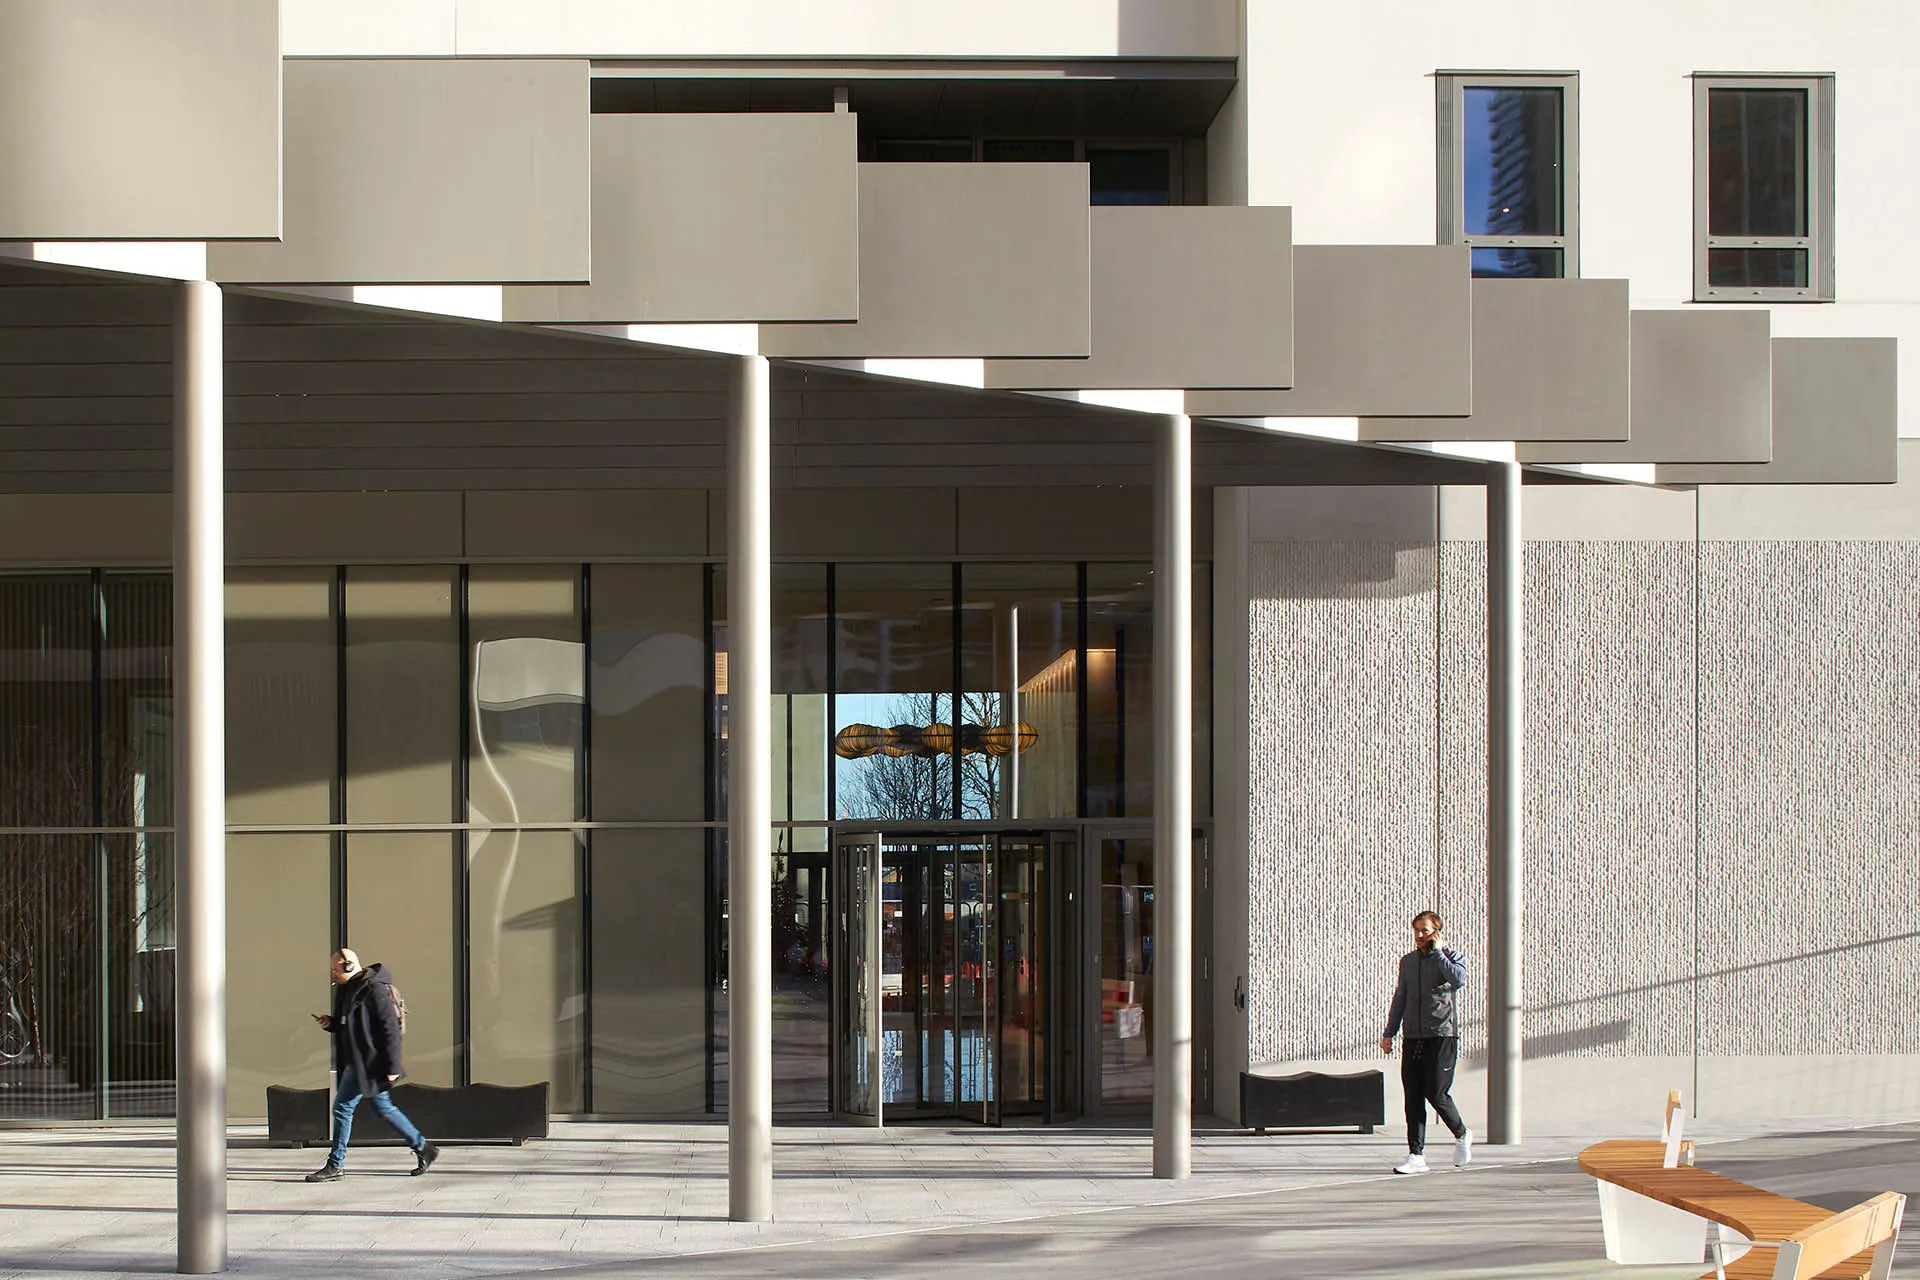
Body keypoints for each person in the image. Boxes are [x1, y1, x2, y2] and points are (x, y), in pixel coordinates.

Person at [304, 948, 440, 1182]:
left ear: (349, 966)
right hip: (358, 1062)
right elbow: (349, 1024)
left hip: (370, 1063)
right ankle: (423, 1147)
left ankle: (336, 1164)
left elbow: (390, 1031)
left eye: (335, 969)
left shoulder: (373, 990)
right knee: (383, 1108)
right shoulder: (347, 990)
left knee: (342, 1108)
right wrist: (331, 1023)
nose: (333, 974)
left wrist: (392, 1067)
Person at [1379, 910, 1471, 1175]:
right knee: (1413, 1096)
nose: (1420, 936)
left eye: (1425, 930)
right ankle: (1416, 1156)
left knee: (1436, 1092)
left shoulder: (1451, 958)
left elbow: (1458, 980)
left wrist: (1439, 952)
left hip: (1442, 1035)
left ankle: (1462, 1134)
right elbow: (1401, 998)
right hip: (1414, 1036)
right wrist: (1390, 1032)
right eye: (1416, 930)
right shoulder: (1408, 962)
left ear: (1437, 931)